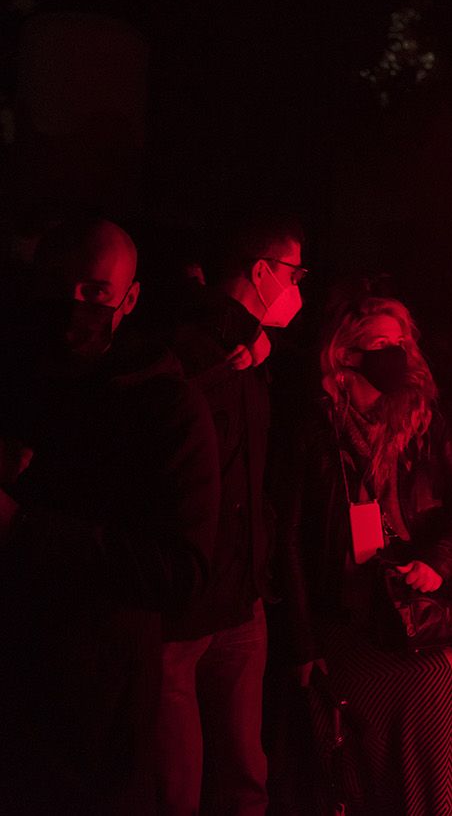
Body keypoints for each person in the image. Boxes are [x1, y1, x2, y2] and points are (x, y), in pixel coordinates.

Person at [0, 217, 220, 812]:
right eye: (59, 285)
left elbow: (184, 569)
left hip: (96, 718)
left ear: (130, 298)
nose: (74, 305)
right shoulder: (21, 384)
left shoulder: (166, 407)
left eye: (96, 291)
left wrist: (25, 529)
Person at [277, 294, 452, 816]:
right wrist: (301, 640)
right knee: (352, 765)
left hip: (409, 611)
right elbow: (290, 533)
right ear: (344, 353)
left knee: (433, 715)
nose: (394, 354)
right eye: (378, 345)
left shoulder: (421, 417)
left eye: (400, 343)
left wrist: (439, 563)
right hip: (341, 616)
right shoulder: (315, 424)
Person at [155, 213, 306, 816]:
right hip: (188, 600)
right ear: (262, 271)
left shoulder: (255, 351)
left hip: (240, 591)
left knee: (246, 775)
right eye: (295, 272)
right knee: (178, 786)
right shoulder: (191, 347)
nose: (300, 288)